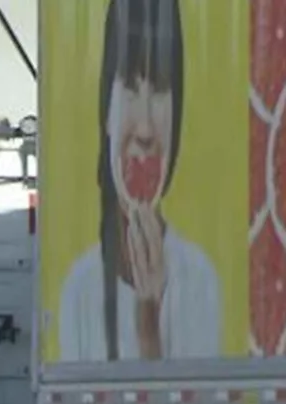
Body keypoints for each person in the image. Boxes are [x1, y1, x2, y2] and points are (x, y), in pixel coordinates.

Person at [57, 0, 219, 362]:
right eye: (130, 86)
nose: (145, 128)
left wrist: (150, 324)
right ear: (106, 110)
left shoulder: (200, 281)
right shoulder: (79, 290)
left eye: (160, 89)